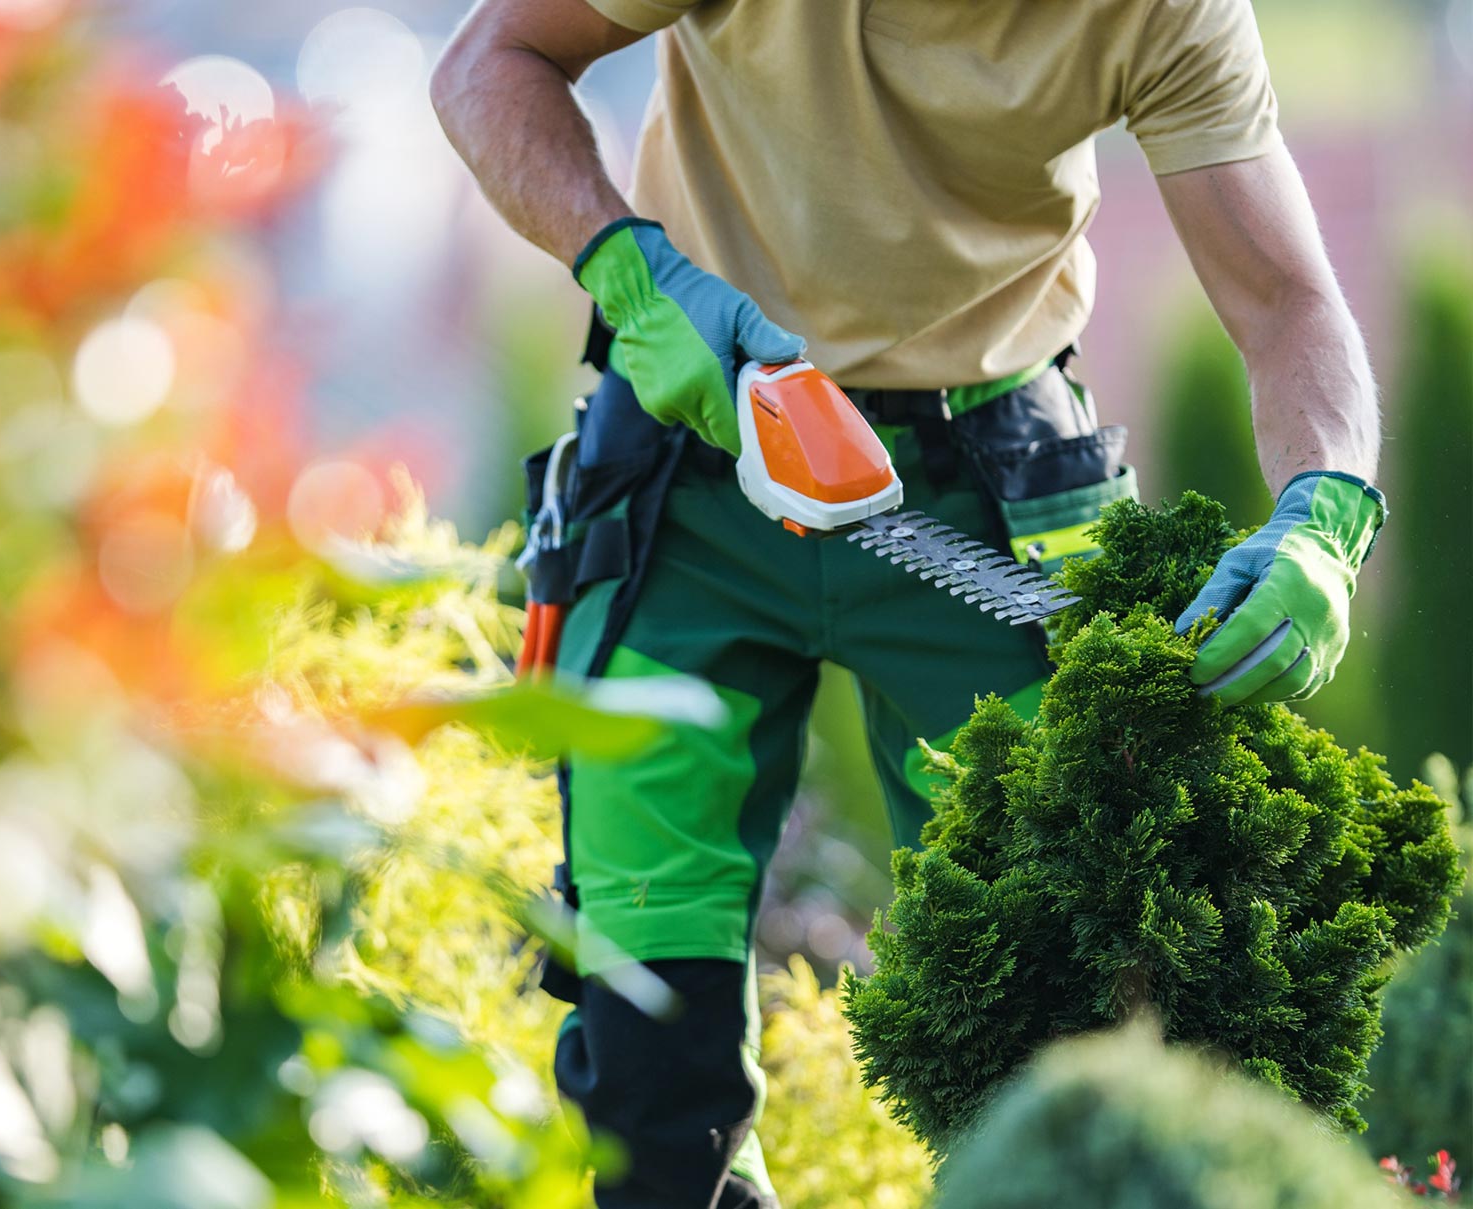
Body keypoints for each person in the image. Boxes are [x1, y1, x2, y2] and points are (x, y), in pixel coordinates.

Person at [430, 1, 1387, 1205]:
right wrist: (632, 268)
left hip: (996, 492)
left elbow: (1286, 299)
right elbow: (489, 63)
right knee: (646, 1060)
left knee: (1044, 1051)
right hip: (698, 452)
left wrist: (1327, 509)